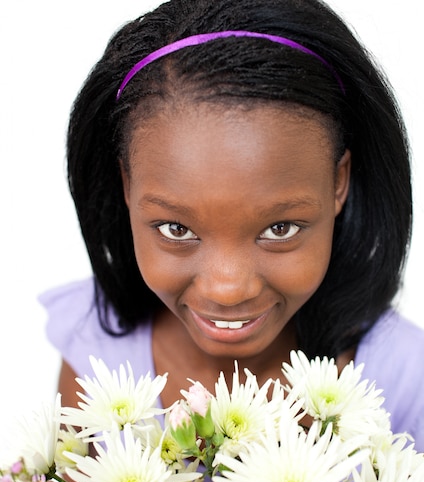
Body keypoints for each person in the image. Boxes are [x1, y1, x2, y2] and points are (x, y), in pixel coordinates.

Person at [39, 0, 424, 449]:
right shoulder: (95, 354)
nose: (228, 288)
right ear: (127, 185)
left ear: (338, 182)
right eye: (176, 229)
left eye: (280, 229)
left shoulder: (404, 380)